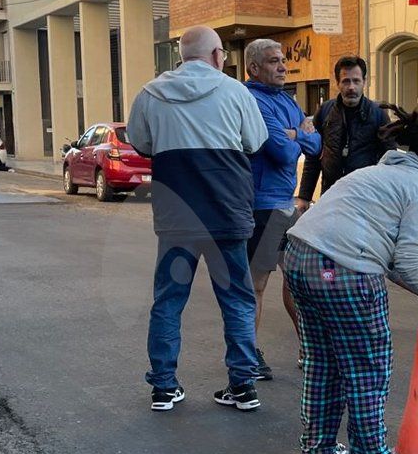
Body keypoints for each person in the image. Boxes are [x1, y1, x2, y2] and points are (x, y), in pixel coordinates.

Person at [283, 107, 418, 454]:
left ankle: (318, 448)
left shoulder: (374, 173)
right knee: (368, 367)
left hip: (299, 257)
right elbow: (411, 263)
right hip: (345, 271)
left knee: (323, 362)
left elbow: (390, 262)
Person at [127, 25, 269, 412]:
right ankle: (242, 386)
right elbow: (255, 142)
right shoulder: (236, 92)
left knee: (169, 300)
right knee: (237, 300)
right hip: (226, 213)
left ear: (181, 57)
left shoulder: (150, 93)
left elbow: (141, 143)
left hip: (177, 218)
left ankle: (163, 387)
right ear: (218, 55)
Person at [242, 39, 322, 380]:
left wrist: (295, 134)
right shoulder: (252, 100)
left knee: (298, 282)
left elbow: (316, 144)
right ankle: (248, 357)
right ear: (254, 68)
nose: (282, 66)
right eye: (274, 61)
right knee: (256, 286)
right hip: (262, 207)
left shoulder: (287, 100)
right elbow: (282, 153)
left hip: (287, 207)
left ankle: (310, 348)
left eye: (283, 60)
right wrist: (298, 134)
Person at [298, 56, 390, 203]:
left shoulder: (378, 114)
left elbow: (389, 160)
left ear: (364, 82)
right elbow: (313, 156)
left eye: (356, 81)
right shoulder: (324, 111)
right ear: (338, 83)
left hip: (366, 197)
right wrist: (304, 197)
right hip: (330, 195)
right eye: (346, 81)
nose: (351, 87)